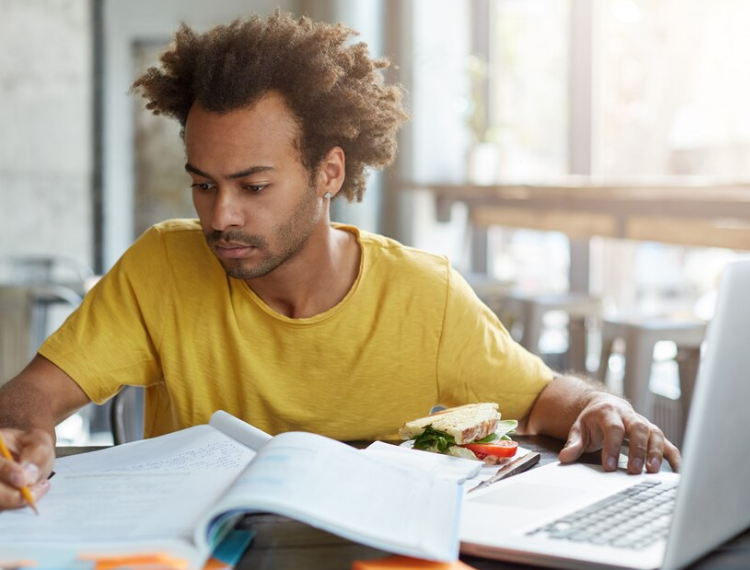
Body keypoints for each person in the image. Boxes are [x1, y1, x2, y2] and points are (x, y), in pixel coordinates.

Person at [0, 10, 680, 512]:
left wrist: (604, 407)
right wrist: (18, 433)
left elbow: (540, 401)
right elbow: (33, 394)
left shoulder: (423, 294)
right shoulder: (161, 268)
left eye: (253, 186)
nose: (220, 215)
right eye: (203, 182)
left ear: (329, 173)